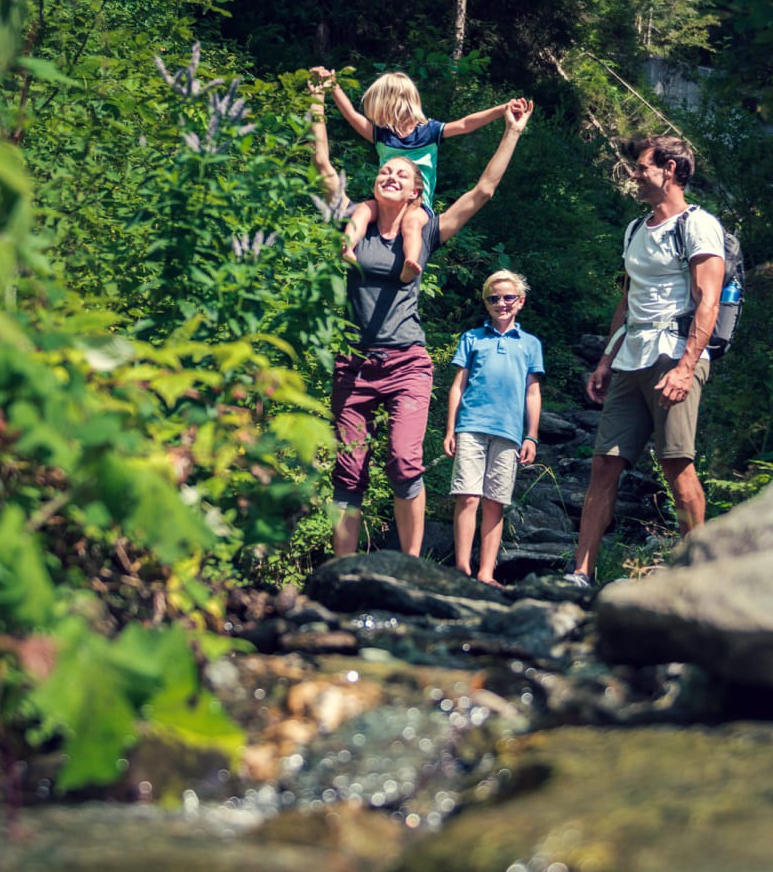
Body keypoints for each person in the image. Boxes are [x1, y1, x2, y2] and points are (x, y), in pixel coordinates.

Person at [308, 72, 533, 559]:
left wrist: (510, 130)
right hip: (354, 363)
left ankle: (412, 569)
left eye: (403, 176)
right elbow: (324, 165)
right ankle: (343, 573)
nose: (391, 175)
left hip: (406, 363)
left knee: (404, 463)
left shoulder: (427, 230)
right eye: (386, 172)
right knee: (348, 471)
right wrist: (316, 103)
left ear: (416, 191)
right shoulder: (354, 217)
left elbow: (482, 192)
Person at [568, 135, 726, 587]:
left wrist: (685, 366)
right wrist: (606, 357)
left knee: (676, 462)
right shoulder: (635, 228)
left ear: (670, 169)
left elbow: (708, 302)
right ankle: (581, 573)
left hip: (674, 356)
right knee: (604, 464)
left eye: (642, 167)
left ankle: (699, 578)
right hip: (630, 359)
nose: (634, 175)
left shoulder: (699, 226)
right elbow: (629, 297)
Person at [312, 67, 519, 283]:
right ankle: (349, 246)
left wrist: (502, 109)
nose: (375, 116)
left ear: (391, 103)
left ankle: (410, 262)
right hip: (384, 202)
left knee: (411, 223)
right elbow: (352, 116)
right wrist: (332, 87)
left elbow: (466, 124)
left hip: (418, 205)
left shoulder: (429, 131)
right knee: (363, 210)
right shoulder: (381, 135)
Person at [444, 270, 543, 586]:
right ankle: (462, 567)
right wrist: (450, 430)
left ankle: (486, 572)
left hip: (509, 432)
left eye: (508, 297)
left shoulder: (529, 344)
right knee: (467, 497)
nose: (501, 303)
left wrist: (531, 435)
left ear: (520, 301)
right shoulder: (472, 338)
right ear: (486, 303)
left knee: (494, 502)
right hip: (471, 425)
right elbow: (457, 386)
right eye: (494, 298)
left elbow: (532, 392)